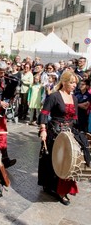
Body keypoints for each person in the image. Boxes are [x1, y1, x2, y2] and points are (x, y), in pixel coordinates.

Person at [38, 70, 81, 205]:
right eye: (72, 82)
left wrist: (75, 134)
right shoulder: (54, 96)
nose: (74, 85)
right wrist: (43, 130)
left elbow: (75, 118)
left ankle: (62, 190)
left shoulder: (74, 98)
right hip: (54, 133)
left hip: (69, 134)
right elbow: (44, 114)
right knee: (52, 160)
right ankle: (50, 186)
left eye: (75, 83)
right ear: (64, 82)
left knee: (67, 162)